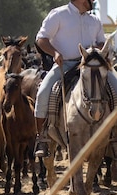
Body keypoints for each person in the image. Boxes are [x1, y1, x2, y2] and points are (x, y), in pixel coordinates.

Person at [33, 0, 117, 157]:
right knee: (42, 93)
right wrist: (55, 53)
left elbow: (100, 41)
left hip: (92, 66)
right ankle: (42, 138)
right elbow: (41, 39)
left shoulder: (94, 20)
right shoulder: (58, 15)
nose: (92, 1)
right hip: (64, 64)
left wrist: (100, 47)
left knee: (116, 88)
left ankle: (114, 139)